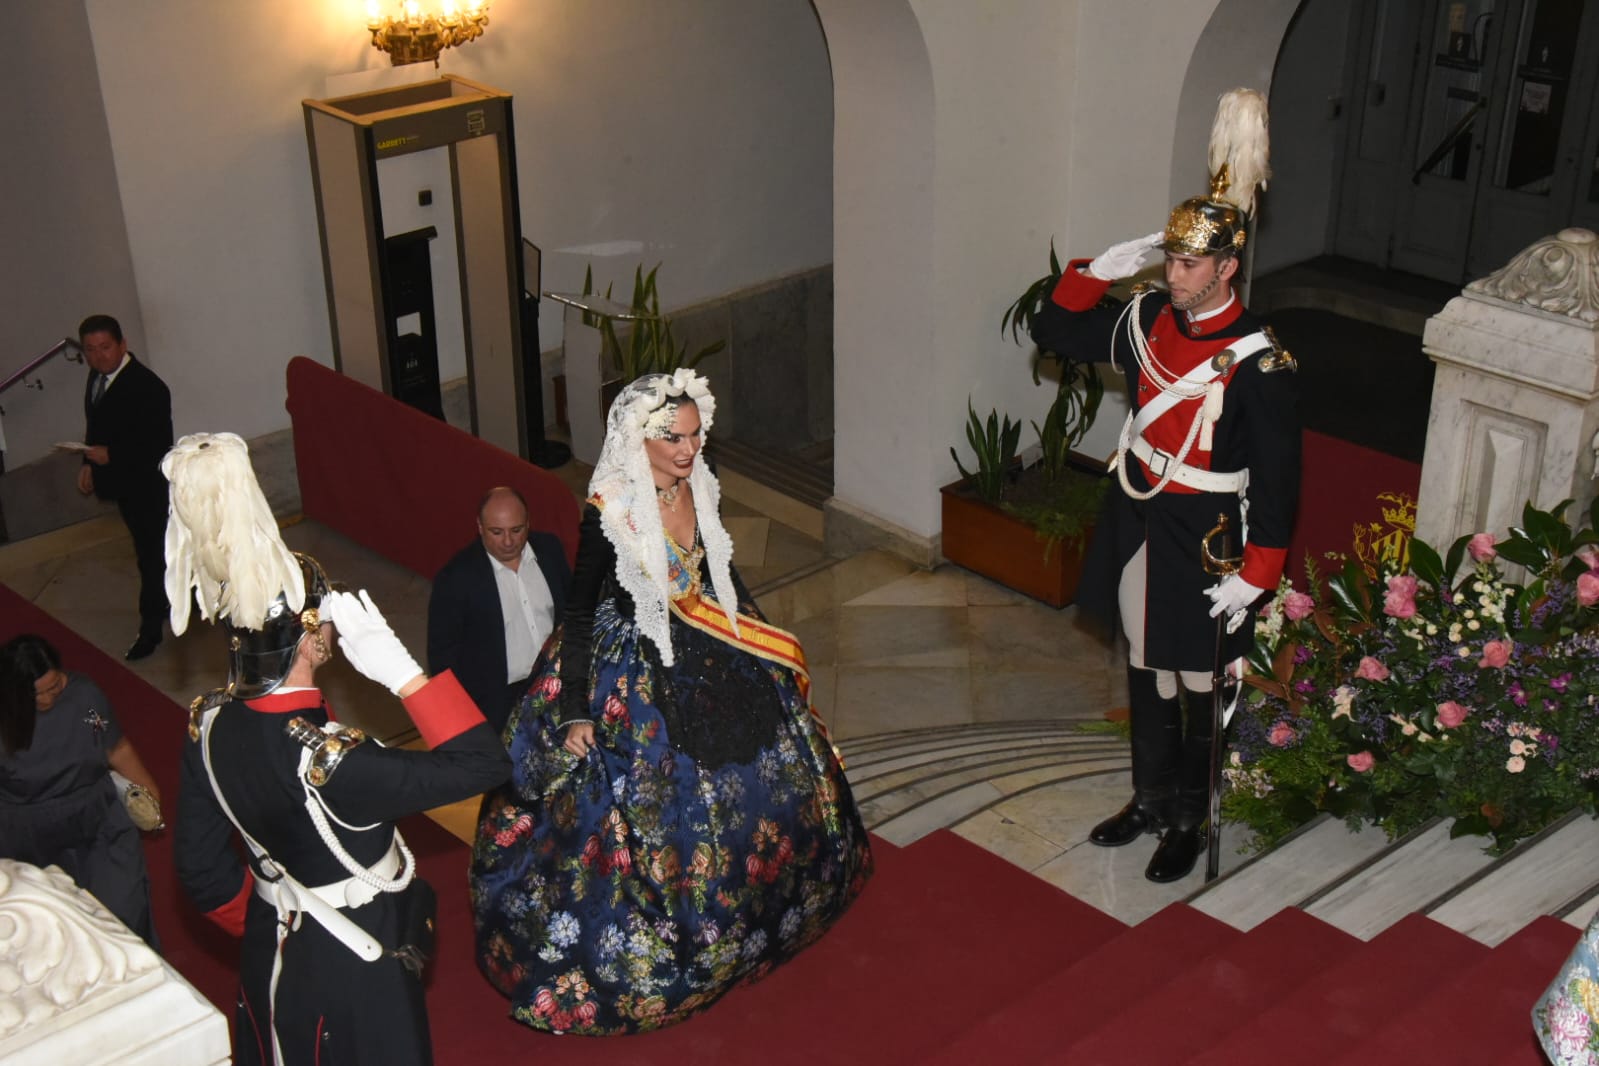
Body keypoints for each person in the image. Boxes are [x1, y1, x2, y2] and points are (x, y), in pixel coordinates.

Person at [470, 369, 873, 1035]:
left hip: (712, 645)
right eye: (675, 439)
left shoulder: (699, 483)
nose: (690, 450)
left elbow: (720, 571)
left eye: (694, 435)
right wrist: (575, 708)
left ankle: (766, 915)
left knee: (770, 787)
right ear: (640, 440)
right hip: (634, 669)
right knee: (657, 818)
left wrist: (761, 639)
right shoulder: (609, 510)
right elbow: (578, 612)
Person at [164, 432, 510, 1066]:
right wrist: (406, 676)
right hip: (355, 967)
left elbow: (203, 874)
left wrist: (281, 911)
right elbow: (486, 764)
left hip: (273, 945)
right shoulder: (336, 764)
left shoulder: (208, 725)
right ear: (311, 640)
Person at [1030, 89, 1301, 883]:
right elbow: (1053, 332)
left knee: (1198, 680)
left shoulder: (1262, 361)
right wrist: (1094, 275)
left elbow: (1280, 476)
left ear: (1226, 268)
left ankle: (1189, 816)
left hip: (1208, 532)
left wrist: (1259, 572)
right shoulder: (1144, 318)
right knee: (1145, 666)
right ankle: (1149, 799)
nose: (1172, 275)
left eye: (1188, 265)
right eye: (1169, 261)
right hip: (1138, 515)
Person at [0, 634, 161, 946]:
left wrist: (151, 796)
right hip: (29, 834)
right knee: (51, 932)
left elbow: (117, 749)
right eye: (37, 693)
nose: (49, 698)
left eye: (55, 686)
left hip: (96, 817)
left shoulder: (85, 696)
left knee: (124, 909)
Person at [427, 486, 571, 735]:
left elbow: (571, 611)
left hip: (557, 685)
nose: (508, 541)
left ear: (528, 523)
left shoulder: (549, 550)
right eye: (497, 532)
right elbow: (443, 655)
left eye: (516, 530)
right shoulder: (456, 578)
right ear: (480, 527)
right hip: (496, 704)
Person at [75, 314, 173, 661]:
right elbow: (96, 425)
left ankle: (151, 630)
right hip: (124, 485)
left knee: (151, 556)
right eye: (90, 350)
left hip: (148, 487)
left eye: (105, 347)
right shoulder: (97, 377)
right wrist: (88, 462)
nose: (98, 356)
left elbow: (158, 444)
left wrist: (111, 454)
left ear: (122, 345)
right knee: (155, 552)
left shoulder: (149, 387)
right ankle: (175, 601)